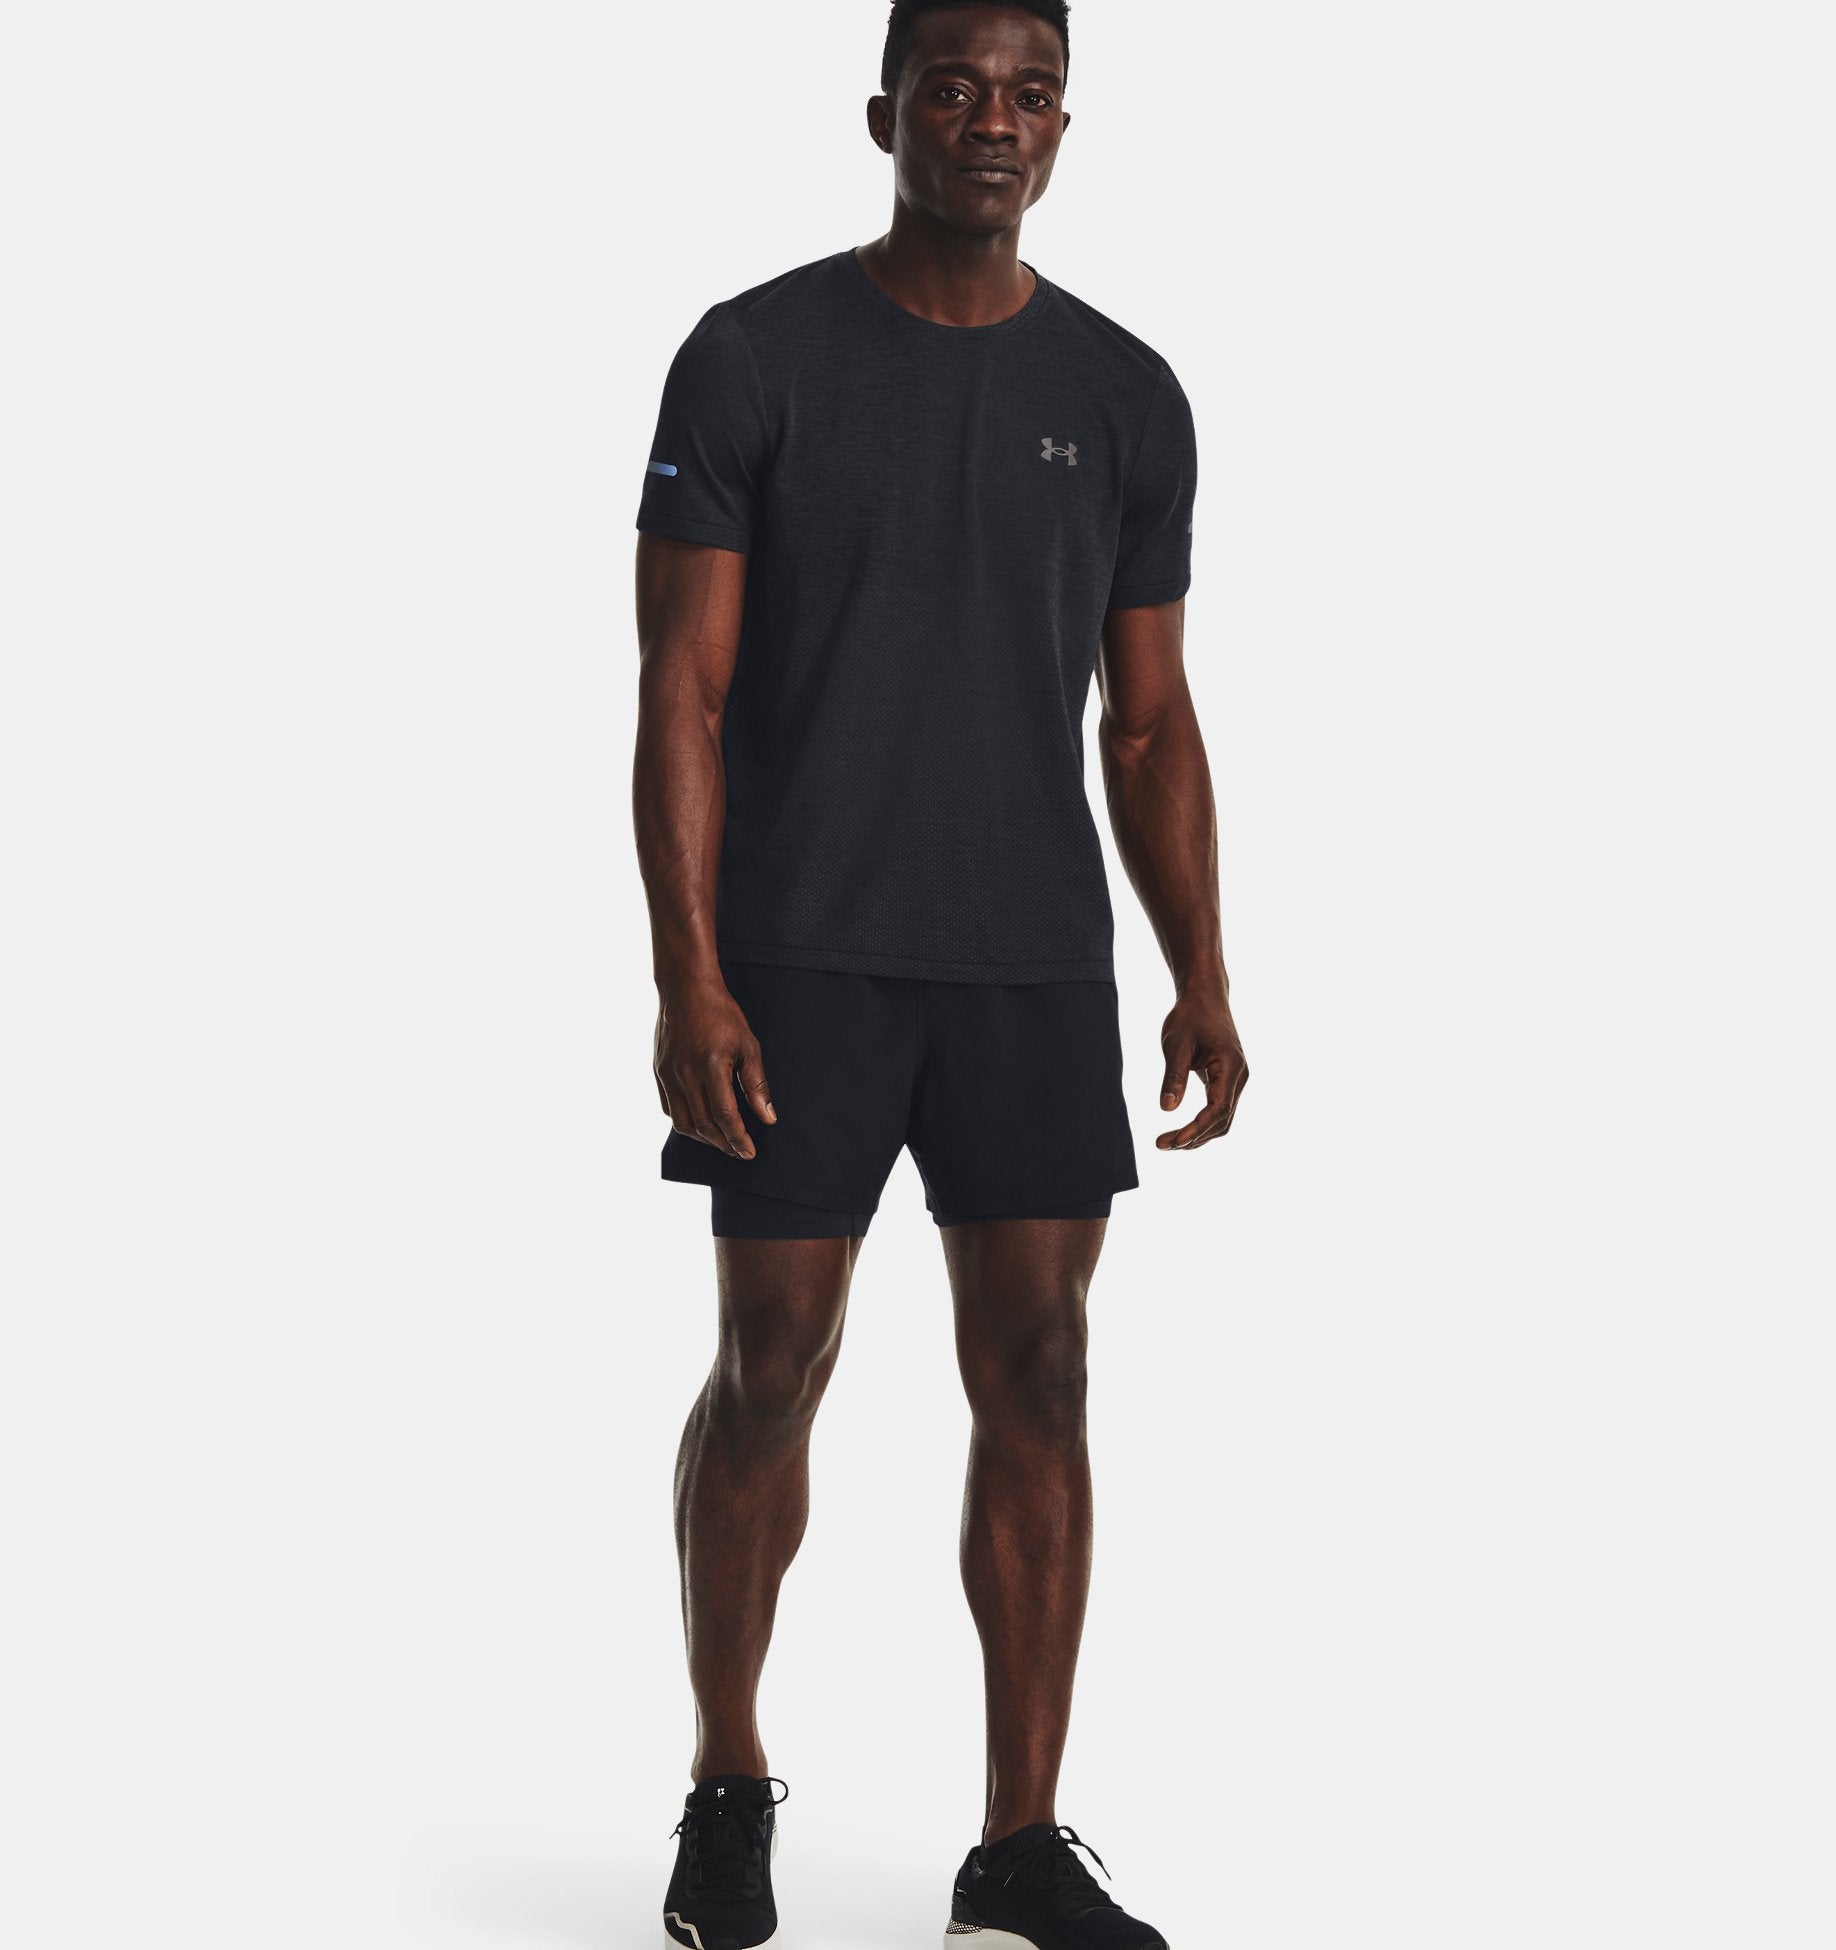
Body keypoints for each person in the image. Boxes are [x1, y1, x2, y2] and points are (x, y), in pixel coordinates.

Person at [633, 4, 1246, 1944]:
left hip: (1031, 964)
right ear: (885, 113)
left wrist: (1203, 968)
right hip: (801, 959)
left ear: (1065, 124)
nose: (995, 122)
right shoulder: (755, 357)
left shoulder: (1126, 392)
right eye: (957, 91)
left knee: (1044, 1374)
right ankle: (727, 1788)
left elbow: (1148, 721)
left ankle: (1017, 1845)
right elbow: (682, 694)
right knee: (771, 1368)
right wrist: (688, 976)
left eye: (1030, 93)